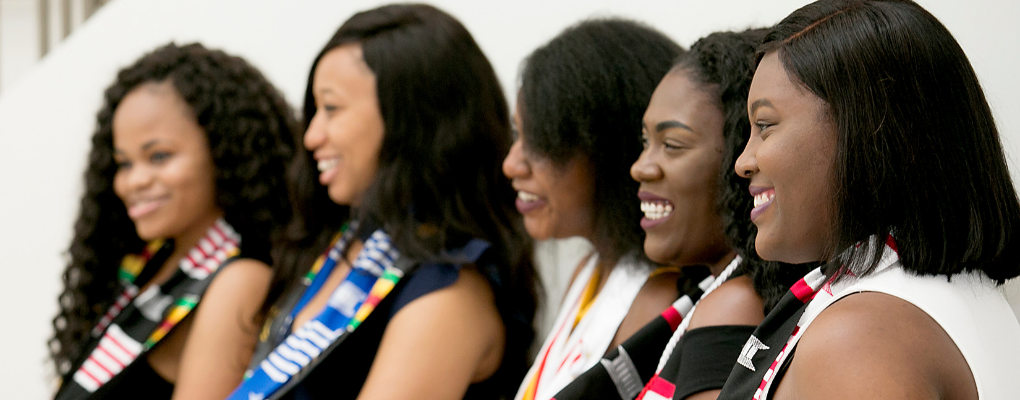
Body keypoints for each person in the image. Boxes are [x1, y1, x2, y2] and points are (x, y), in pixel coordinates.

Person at [228, 4, 537, 400]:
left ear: (411, 119)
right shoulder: (340, 240)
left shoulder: (450, 291)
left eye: (332, 108)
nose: (311, 136)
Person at [717, 1, 1020, 399]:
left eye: (765, 125)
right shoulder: (944, 298)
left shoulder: (858, 339)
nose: (743, 161)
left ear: (863, 130)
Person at [551, 29, 814, 400]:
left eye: (672, 145)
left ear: (741, 162)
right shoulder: (704, 294)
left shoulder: (735, 306)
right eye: (645, 142)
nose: (641, 167)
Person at [50, 43, 298, 400]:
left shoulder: (238, 282)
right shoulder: (149, 263)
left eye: (159, 156)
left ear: (223, 150)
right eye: (124, 164)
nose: (133, 181)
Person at [502, 19, 685, 400]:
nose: (512, 165)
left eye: (541, 141)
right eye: (519, 135)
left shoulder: (658, 298)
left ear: (613, 149)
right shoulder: (589, 273)